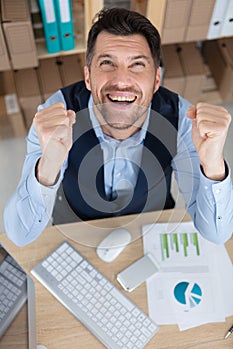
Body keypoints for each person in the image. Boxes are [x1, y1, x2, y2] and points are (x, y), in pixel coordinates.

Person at [4, 8, 232, 247]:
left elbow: (216, 234)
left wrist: (213, 164)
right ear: (88, 77)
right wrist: (48, 168)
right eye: (107, 63)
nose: (122, 81)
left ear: (156, 80)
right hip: (77, 228)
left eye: (137, 65)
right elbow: (19, 235)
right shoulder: (56, 115)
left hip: (150, 228)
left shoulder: (183, 119)